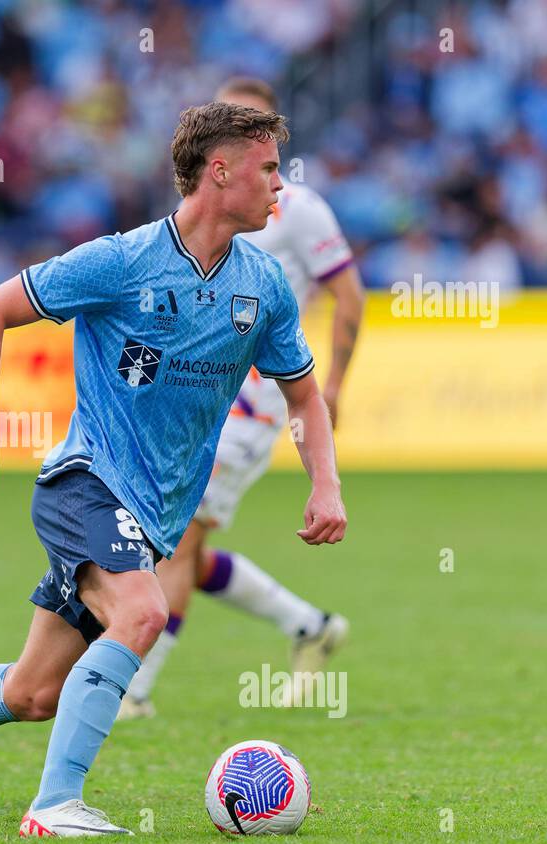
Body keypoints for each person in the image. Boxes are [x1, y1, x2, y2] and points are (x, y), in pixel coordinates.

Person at [0, 101, 347, 837]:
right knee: (145, 611)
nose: (281, 185)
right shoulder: (121, 261)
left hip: (153, 515)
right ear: (220, 172)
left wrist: (326, 484)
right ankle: (55, 805)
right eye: (269, 168)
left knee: (31, 692)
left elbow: (306, 399)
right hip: (84, 483)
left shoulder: (266, 286)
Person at [120, 76, 365, 719]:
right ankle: (309, 624)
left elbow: (349, 294)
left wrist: (331, 384)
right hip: (200, 396)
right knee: (184, 549)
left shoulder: (299, 207)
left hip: (254, 401)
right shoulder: (198, 213)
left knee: (174, 545)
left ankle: (135, 691)